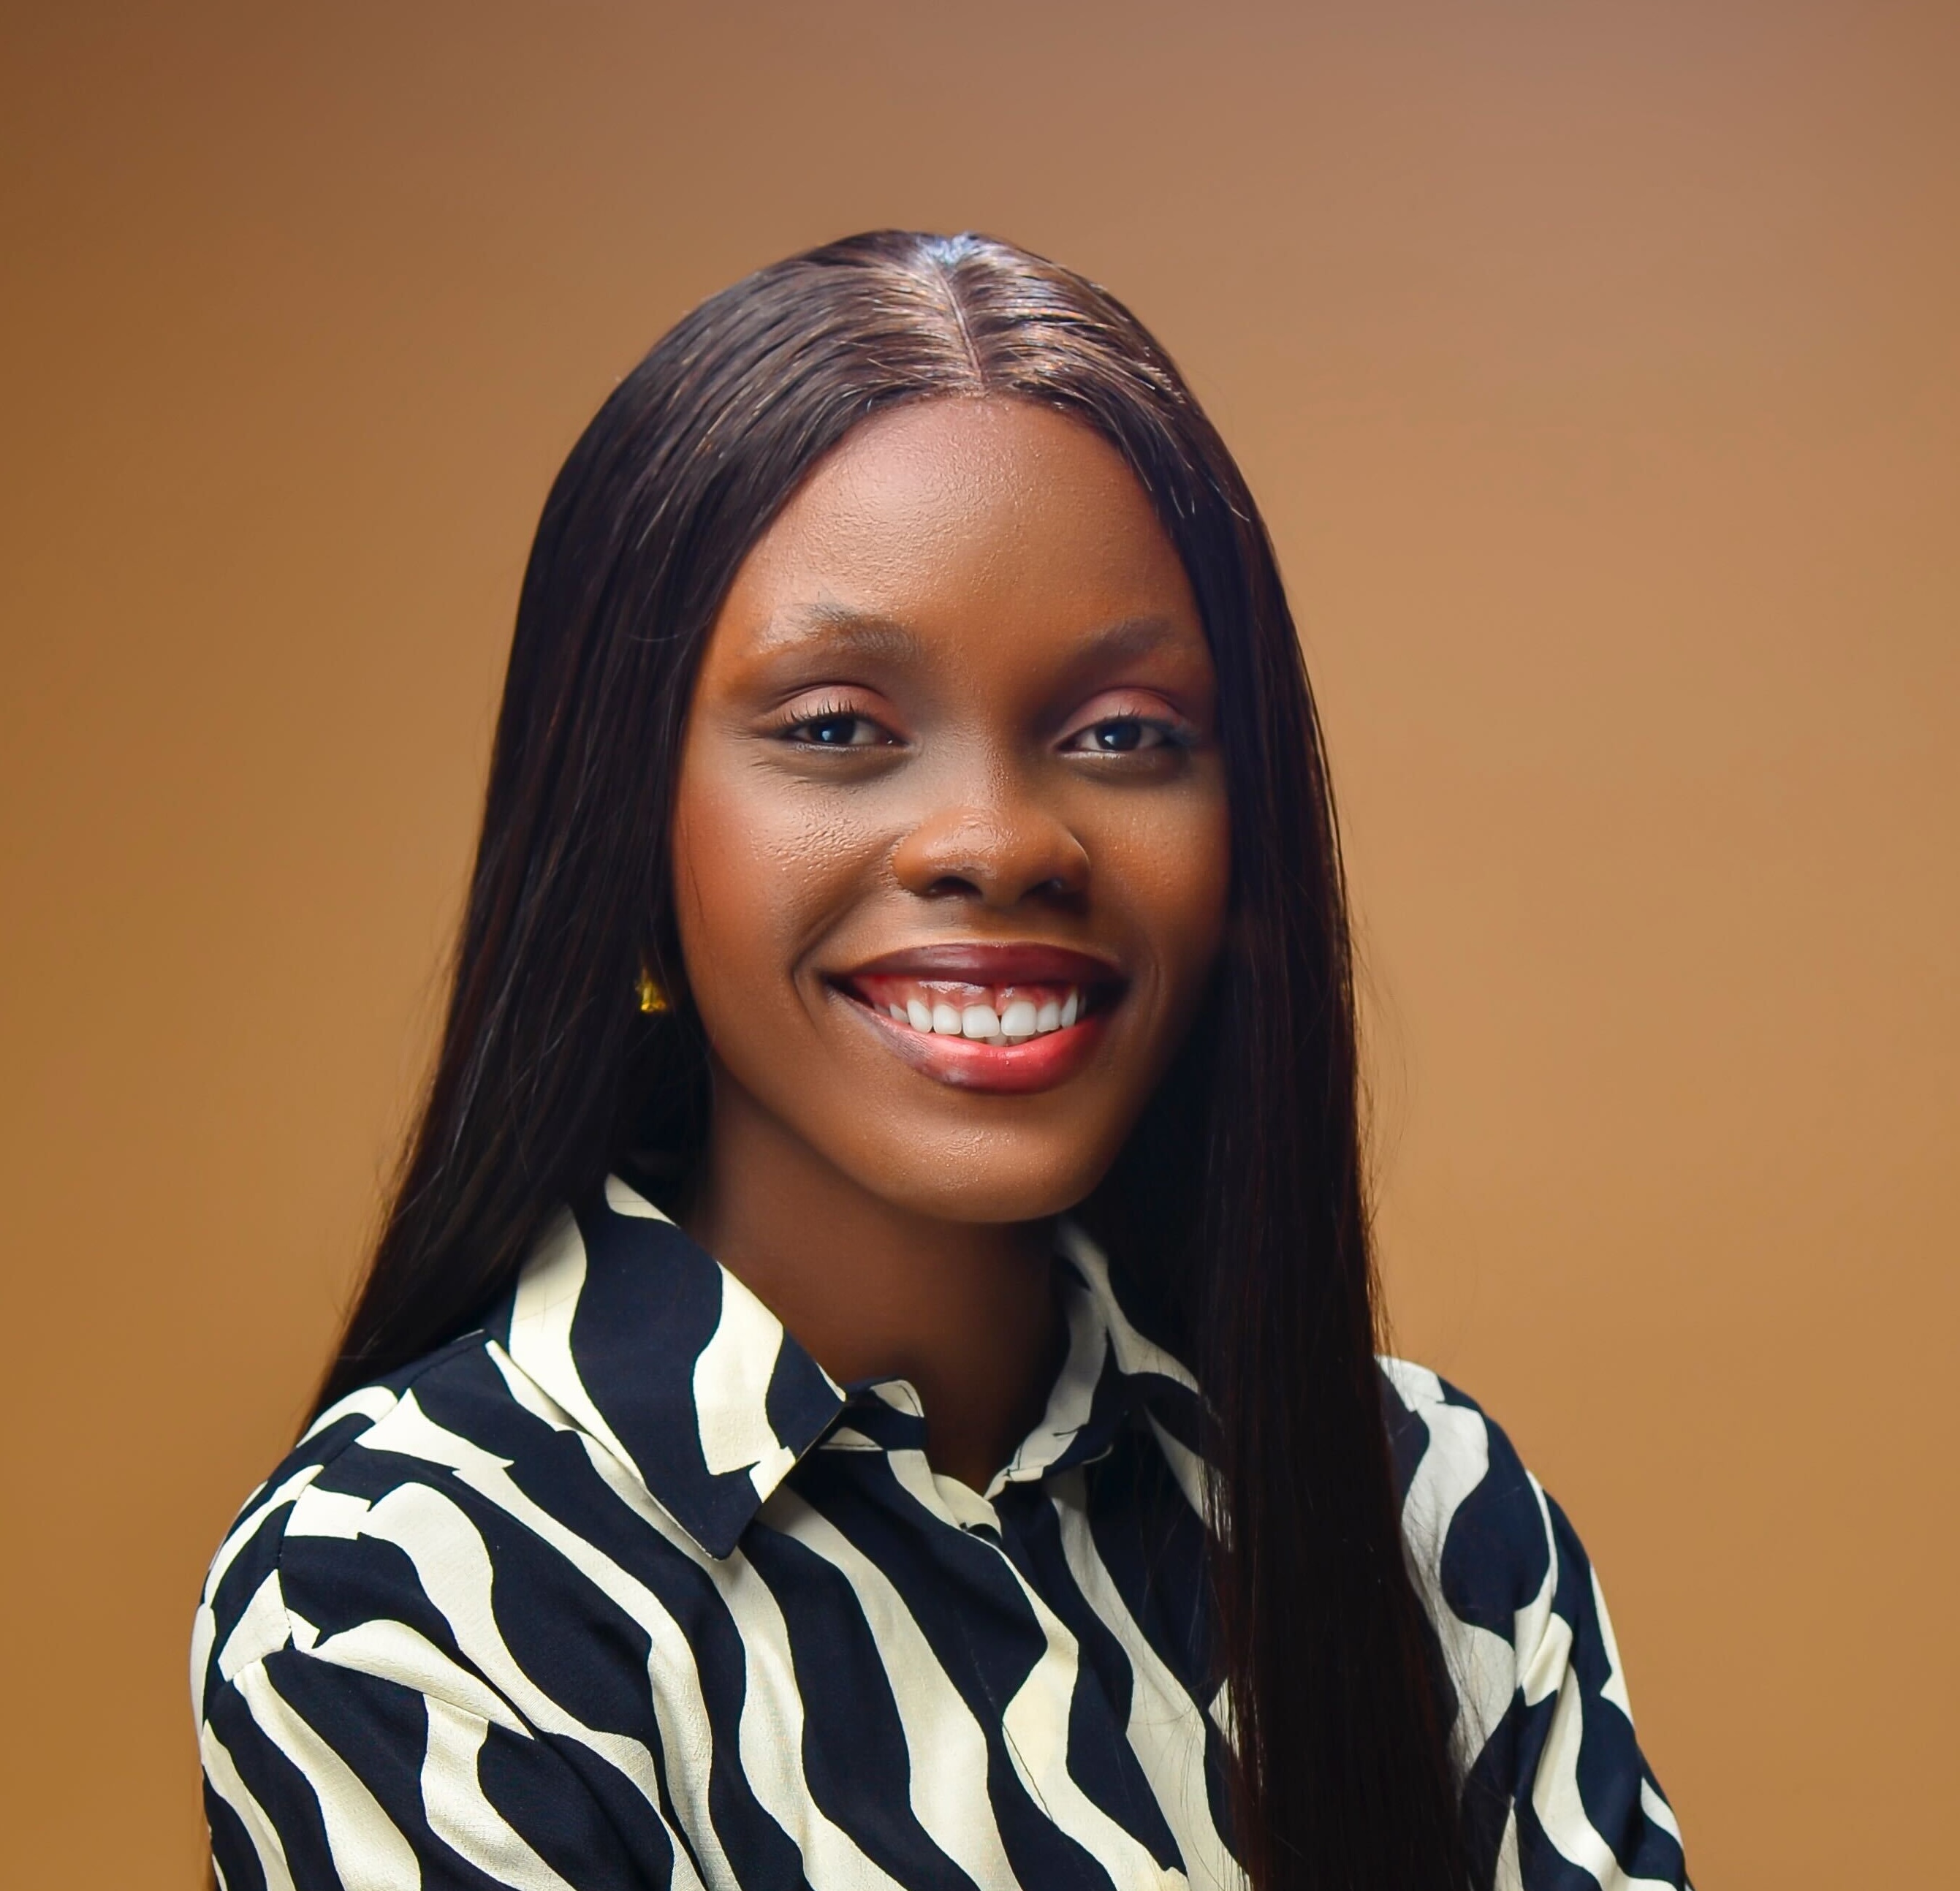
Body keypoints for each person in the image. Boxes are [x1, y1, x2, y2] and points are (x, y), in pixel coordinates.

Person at [191, 231, 1688, 1891]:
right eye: (838, 727)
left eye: (1122, 734)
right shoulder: (404, 1591)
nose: (1000, 840)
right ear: (620, 814)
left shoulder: (1430, 1518)